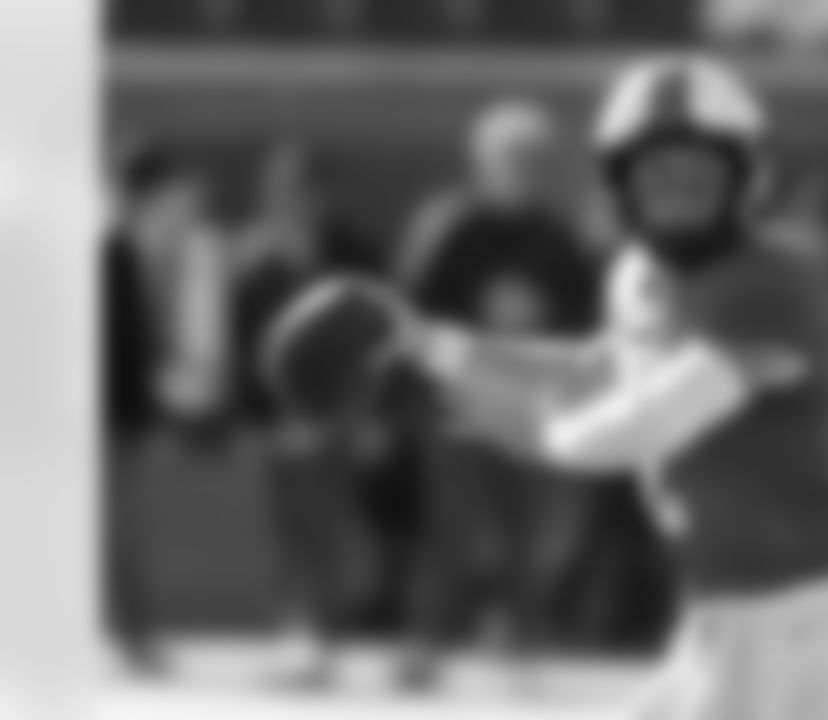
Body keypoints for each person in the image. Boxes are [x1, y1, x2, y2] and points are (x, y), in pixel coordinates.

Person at [271, 55, 828, 720]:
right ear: (619, 182)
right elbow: (592, 371)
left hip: (810, 621)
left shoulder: (775, 281)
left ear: (747, 175)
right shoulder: (639, 279)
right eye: (656, 172)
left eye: (698, 171)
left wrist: (490, 418)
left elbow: (641, 425)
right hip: (718, 616)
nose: (677, 192)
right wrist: (434, 344)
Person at [392, 98, 603, 680]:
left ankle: (523, 643)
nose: (520, 170)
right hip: (458, 404)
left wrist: (541, 330)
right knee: (449, 528)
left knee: (526, 530)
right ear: (481, 161)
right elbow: (412, 312)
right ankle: (426, 645)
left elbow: (584, 320)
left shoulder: (556, 237)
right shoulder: (449, 228)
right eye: (509, 158)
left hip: (527, 405)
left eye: (531, 159)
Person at [233, 143, 397, 686]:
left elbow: (380, 339)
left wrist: (372, 416)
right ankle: (292, 637)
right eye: (282, 192)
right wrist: (258, 419)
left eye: (303, 192)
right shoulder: (253, 257)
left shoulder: (353, 253)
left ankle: (321, 641)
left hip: (336, 414)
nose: (293, 203)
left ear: (322, 196)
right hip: (278, 421)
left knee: (325, 532)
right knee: (286, 533)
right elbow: (244, 342)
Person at [103, 143, 226, 674]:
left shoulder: (146, 251)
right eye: (176, 191)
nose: (187, 202)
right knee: (115, 532)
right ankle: (134, 639)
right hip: (98, 421)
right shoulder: (107, 251)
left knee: (118, 532)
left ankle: (134, 637)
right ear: (149, 194)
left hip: (122, 420)